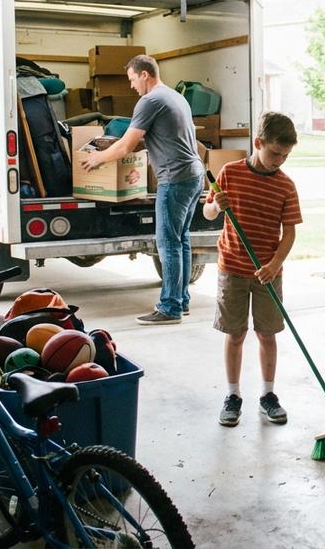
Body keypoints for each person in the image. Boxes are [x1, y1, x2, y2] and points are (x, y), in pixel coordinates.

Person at [79, 54, 203, 326]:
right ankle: (180, 301)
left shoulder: (150, 100)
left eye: (133, 79)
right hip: (195, 175)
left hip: (175, 178)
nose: (132, 86)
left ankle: (170, 307)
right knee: (180, 239)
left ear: (144, 74)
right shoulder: (174, 96)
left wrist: (95, 159)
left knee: (167, 242)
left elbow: (125, 146)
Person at [204, 112, 302, 427]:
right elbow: (207, 212)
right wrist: (217, 205)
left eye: (286, 155)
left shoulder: (286, 186)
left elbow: (289, 233)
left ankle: (268, 396)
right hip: (232, 268)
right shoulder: (230, 173)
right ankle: (233, 396)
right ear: (258, 143)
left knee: (267, 333)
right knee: (235, 334)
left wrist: (275, 265)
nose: (280, 161)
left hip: (268, 273)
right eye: (275, 153)